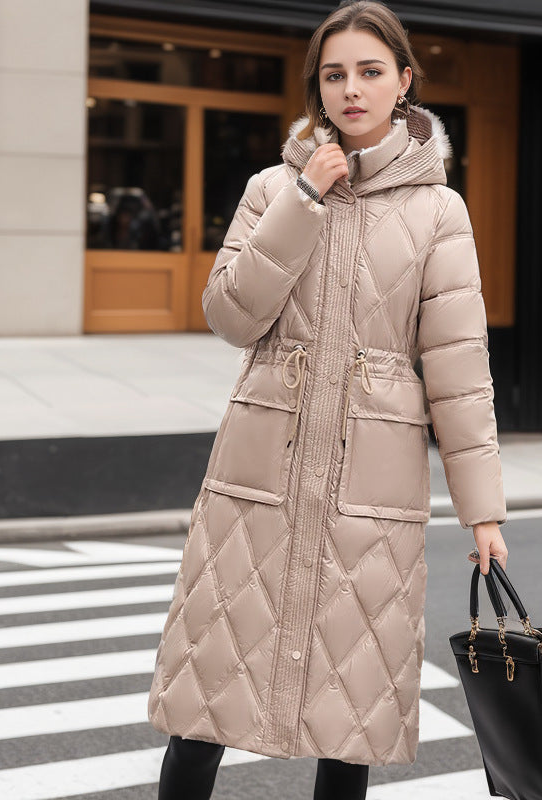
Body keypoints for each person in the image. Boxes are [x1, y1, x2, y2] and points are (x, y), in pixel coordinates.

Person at [148, 2, 509, 797]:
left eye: (371, 71)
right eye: (335, 74)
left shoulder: (438, 210)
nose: (352, 89)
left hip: (370, 486)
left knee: (350, 710)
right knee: (205, 700)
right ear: (318, 87)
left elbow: (457, 366)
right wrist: (304, 201)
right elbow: (231, 315)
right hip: (257, 480)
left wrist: (483, 513)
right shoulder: (271, 187)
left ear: (404, 82)